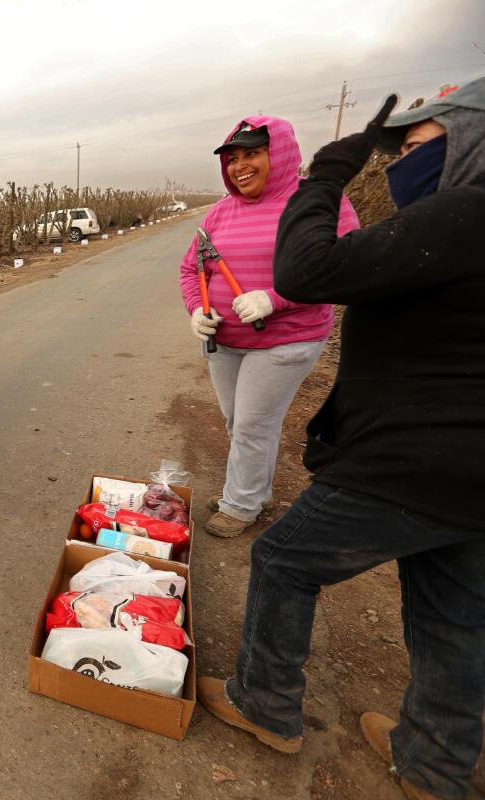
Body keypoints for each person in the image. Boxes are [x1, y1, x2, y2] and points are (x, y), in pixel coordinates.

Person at [199, 77, 485, 800]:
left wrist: (327, 171)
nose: (404, 160)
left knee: (286, 558)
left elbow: (311, 268)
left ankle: (264, 702)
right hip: (464, 466)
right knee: (450, 608)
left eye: (420, 144)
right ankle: (434, 761)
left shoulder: (463, 213)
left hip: (418, 454)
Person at [177, 116, 359, 538]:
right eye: (233, 157)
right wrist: (196, 308)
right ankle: (252, 491)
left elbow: (346, 266)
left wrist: (275, 299)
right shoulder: (220, 212)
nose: (240, 165)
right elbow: (192, 269)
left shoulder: (318, 203)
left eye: (253, 153)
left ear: (278, 153)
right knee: (237, 418)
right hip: (226, 340)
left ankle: (241, 505)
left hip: (285, 339)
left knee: (252, 424)